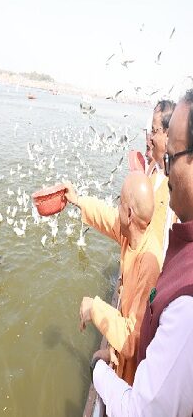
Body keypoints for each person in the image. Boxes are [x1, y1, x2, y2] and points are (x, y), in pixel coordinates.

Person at [92, 90, 193, 416]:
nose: (164, 167)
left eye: (173, 156)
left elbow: (143, 410)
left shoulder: (186, 299)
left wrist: (99, 373)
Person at [64, 172, 161, 386]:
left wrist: (94, 308)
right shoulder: (133, 234)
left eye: (119, 202)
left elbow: (132, 339)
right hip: (122, 353)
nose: (115, 208)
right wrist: (77, 200)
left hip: (134, 374)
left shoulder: (149, 263)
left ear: (128, 213)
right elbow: (106, 217)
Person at [149, 99, 177, 261]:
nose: (150, 138)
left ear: (168, 134)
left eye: (154, 131)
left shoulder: (177, 187)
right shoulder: (151, 170)